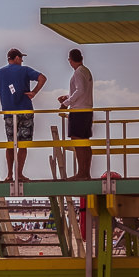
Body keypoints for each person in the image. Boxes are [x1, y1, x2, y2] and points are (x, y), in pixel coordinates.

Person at [0, 48, 48, 183]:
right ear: (16, 58)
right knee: (23, 144)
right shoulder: (25, 70)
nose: (22, 61)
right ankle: (19, 174)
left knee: (10, 143)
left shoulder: (0, 73)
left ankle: (10, 174)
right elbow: (42, 78)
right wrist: (34, 92)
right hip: (25, 111)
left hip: (9, 113)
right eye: (21, 58)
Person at [57, 48, 95, 179]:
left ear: (70, 60)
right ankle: (86, 172)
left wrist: (65, 103)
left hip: (79, 111)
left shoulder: (78, 72)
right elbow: (81, 91)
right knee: (85, 142)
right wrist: (67, 97)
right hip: (87, 109)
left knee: (77, 141)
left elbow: (80, 91)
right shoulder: (86, 71)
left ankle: (82, 173)